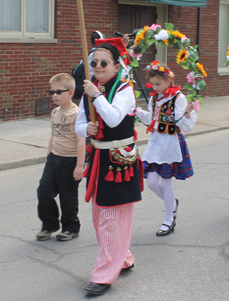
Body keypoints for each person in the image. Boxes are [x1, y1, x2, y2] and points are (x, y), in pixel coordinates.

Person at [76, 37, 142, 296]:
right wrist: (87, 127)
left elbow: (114, 119)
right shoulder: (86, 92)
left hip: (119, 160)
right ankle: (122, 257)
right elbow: (78, 126)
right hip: (99, 160)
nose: (98, 66)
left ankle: (103, 275)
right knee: (100, 216)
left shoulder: (124, 89)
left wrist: (96, 95)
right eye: (94, 62)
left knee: (112, 218)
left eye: (104, 62)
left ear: (116, 66)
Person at [136, 61, 196, 236]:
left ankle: (168, 219)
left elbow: (184, 124)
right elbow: (152, 119)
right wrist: (139, 113)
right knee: (152, 183)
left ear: (169, 80)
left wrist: (186, 113)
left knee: (165, 182)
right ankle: (172, 204)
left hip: (170, 143)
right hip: (156, 143)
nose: (156, 87)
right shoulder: (155, 98)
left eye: (158, 84)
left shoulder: (179, 97)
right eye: (153, 84)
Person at [36, 74, 85, 242]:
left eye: (58, 91)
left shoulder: (77, 114)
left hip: (70, 161)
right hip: (54, 159)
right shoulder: (55, 112)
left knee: (67, 196)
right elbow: (53, 135)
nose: (54, 95)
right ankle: (49, 224)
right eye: (52, 92)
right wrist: (48, 155)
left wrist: (79, 166)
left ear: (70, 92)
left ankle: (71, 227)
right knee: (43, 191)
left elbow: (81, 141)